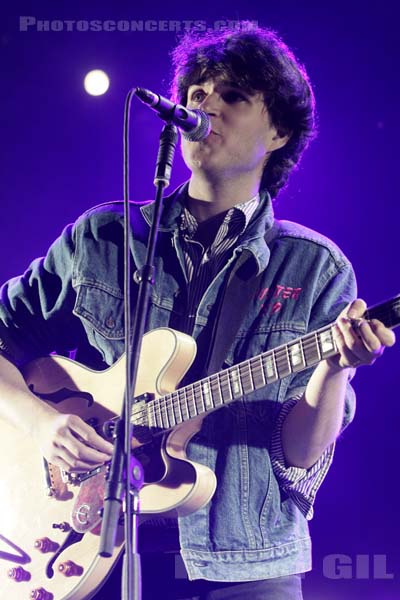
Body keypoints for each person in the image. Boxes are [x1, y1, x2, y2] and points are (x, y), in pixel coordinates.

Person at [0, 23, 395, 600]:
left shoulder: (314, 268)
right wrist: (43, 422)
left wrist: (337, 368)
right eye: (196, 91)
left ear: (280, 132)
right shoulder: (106, 237)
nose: (204, 101)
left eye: (232, 95)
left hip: (248, 564)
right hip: (98, 547)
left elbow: (302, 450)